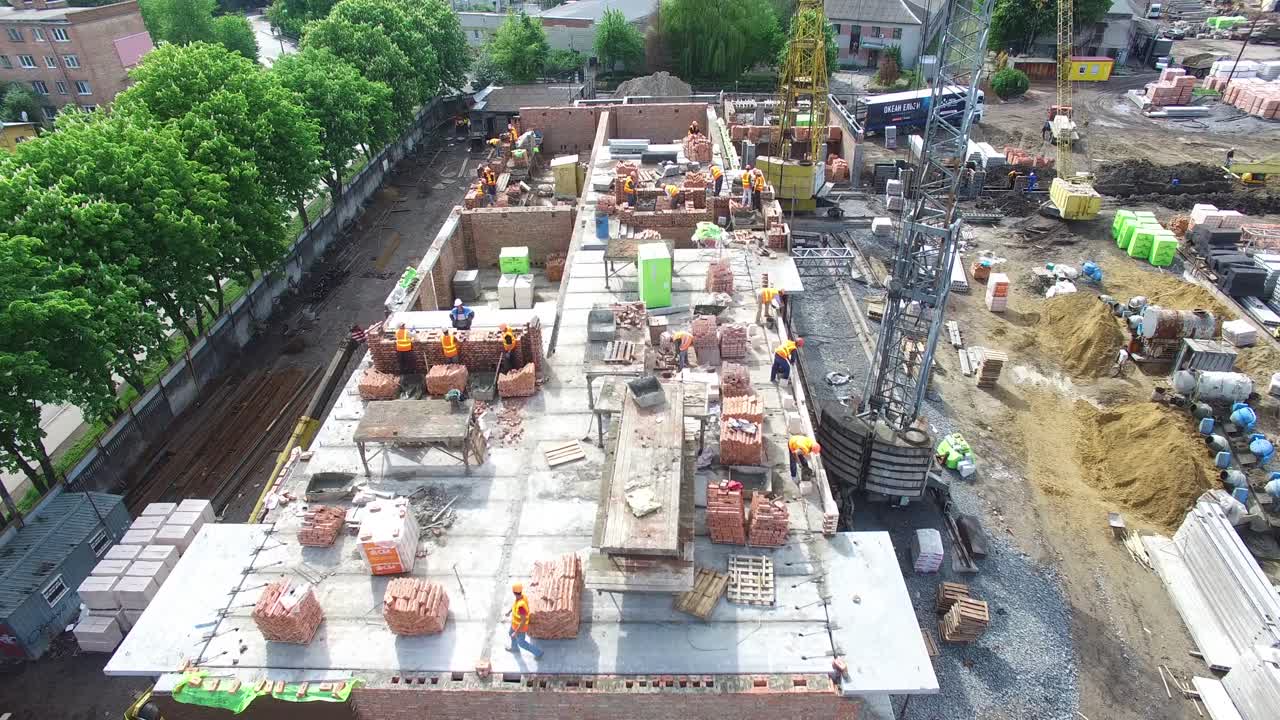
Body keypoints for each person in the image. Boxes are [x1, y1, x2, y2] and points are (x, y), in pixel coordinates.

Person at [507, 583, 543, 658]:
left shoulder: (521, 606)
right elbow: (514, 605)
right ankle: (514, 648)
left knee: (522, 643)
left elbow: (523, 620)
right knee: (510, 633)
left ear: (513, 592)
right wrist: (509, 612)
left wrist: (516, 632)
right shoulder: (522, 597)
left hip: (520, 628)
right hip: (514, 624)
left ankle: (538, 653)